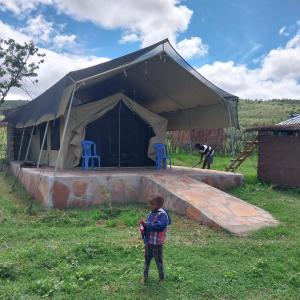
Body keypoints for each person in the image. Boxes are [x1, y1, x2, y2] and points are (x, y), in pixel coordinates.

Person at [139, 195, 171, 284]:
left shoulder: (163, 215)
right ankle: (145, 277)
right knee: (147, 260)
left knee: (158, 261)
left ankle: (161, 278)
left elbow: (160, 226)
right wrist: (143, 227)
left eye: (152, 204)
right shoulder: (151, 213)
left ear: (159, 204)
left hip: (157, 244)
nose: (150, 206)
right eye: (150, 204)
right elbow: (148, 226)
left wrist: (147, 224)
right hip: (149, 242)